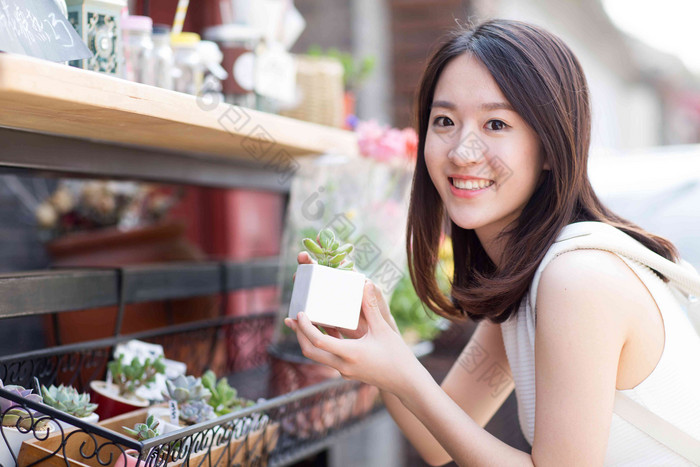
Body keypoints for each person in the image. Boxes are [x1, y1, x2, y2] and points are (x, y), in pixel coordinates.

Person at [284, 18, 700, 466]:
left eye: (496, 124)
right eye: (444, 120)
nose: (462, 150)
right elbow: (439, 441)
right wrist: (375, 343)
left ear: (549, 146)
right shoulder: (528, 277)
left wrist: (403, 372)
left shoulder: (578, 278)